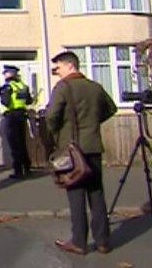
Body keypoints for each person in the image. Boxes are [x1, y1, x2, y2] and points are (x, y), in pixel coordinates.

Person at [45, 51, 117, 255]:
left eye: (58, 68)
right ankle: (103, 241)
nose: (56, 72)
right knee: (96, 194)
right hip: (93, 146)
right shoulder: (95, 87)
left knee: (76, 195)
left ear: (69, 66)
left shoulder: (63, 87)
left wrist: (58, 132)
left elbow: (51, 116)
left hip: (71, 149)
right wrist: (92, 123)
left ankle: (79, 241)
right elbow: (111, 109)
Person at [0, 65, 34, 179]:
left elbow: (6, 102)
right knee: (23, 143)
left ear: (10, 74)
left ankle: (18, 170)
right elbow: (29, 101)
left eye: (5, 73)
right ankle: (27, 168)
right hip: (22, 115)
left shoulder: (8, 87)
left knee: (14, 144)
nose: (4, 75)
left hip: (12, 116)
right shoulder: (22, 86)